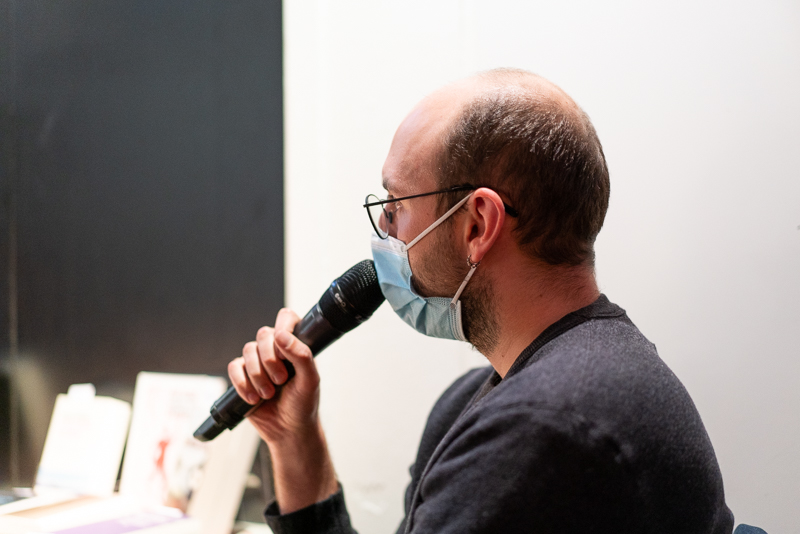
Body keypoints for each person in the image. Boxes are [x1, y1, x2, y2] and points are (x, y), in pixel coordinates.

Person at [228, 68, 734, 533]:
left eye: (396, 204)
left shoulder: (541, 428)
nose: (385, 228)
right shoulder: (492, 398)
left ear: (477, 224)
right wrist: (295, 440)